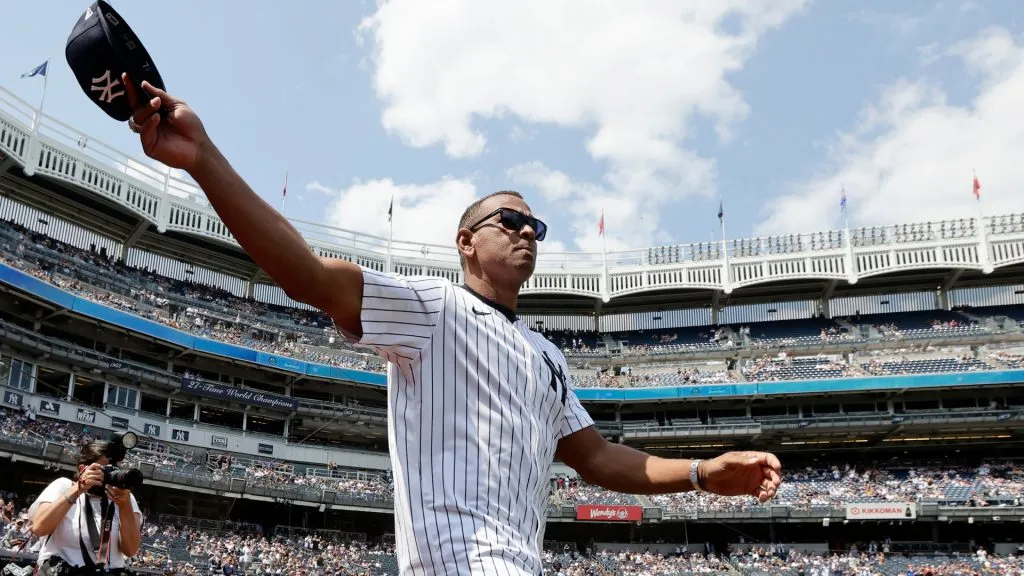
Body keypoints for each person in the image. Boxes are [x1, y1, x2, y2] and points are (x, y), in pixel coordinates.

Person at [123, 75, 782, 575]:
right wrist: (204, 158)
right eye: (511, 221)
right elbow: (307, 276)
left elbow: (598, 458)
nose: (528, 232)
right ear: (466, 241)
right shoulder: (434, 310)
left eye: (537, 227)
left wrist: (701, 471)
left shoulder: (548, 355)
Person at [28, 440, 142, 575]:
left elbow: (130, 550)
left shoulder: (124, 497)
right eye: (105, 469)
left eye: (115, 469)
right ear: (83, 469)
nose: (111, 474)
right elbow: (39, 528)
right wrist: (78, 489)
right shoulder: (64, 486)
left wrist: (125, 506)